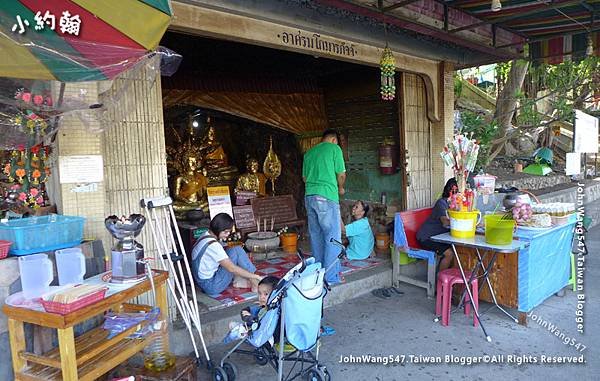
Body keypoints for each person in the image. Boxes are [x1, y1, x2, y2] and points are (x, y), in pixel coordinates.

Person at [302, 129, 346, 285]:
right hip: (327, 196)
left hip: (309, 196)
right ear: (334, 140)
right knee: (332, 237)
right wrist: (340, 187)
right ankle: (331, 277)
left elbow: (305, 178)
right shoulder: (335, 149)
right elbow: (341, 174)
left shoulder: (309, 153)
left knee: (316, 235)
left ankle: (317, 273)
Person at [192, 213, 262, 296]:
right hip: (212, 286)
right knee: (236, 250)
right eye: (225, 232)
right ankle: (255, 280)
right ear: (217, 229)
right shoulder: (213, 245)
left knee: (234, 249)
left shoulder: (205, 236)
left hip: (201, 282)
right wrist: (255, 276)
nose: (227, 235)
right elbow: (232, 268)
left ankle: (249, 280)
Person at [416, 178, 457, 271]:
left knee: (459, 250)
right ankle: (440, 281)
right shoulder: (441, 203)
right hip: (426, 237)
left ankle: (450, 278)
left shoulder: (455, 205)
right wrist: (461, 222)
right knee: (449, 253)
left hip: (438, 237)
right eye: (454, 191)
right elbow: (445, 222)